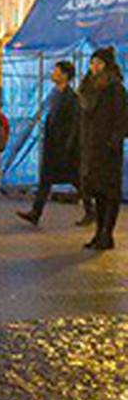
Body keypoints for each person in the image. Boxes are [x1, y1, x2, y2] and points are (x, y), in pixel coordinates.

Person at [17, 61, 82, 227]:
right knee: (47, 179)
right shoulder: (55, 93)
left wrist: (66, 145)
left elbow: (72, 124)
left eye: (57, 71)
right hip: (53, 144)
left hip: (64, 146)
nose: (53, 74)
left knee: (75, 179)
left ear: (65, 75)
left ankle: (91, 210)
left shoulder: (71, 97)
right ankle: (36, 213)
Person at [78, 46, 128, 251]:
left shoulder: (116, 88)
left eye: (98, 63)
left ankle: (108, 234)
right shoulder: (88, 88)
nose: (94, 66)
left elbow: (123, 118)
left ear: (107, 65)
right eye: (92, 62)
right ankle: (99, 233)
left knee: (110, 192)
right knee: (97, 191)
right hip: (91, 146)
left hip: (108, 148)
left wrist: (114, 140)